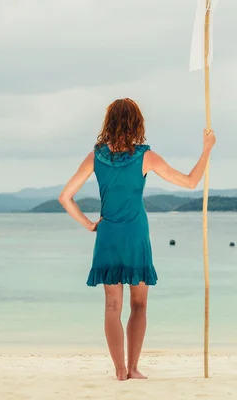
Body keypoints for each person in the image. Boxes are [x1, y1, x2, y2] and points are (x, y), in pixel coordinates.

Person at [58, 98, 216, 380]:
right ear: (136, 123)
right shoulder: (146, 156)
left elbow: (65, 197)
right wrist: (206, 150)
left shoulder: (96, 156)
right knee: (139, 305)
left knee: (112, 306)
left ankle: (119, 371)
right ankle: (132, 368)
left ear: (109, 123)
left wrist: (90, 225)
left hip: (107, 235)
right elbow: (191, 182)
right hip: (135, 235)